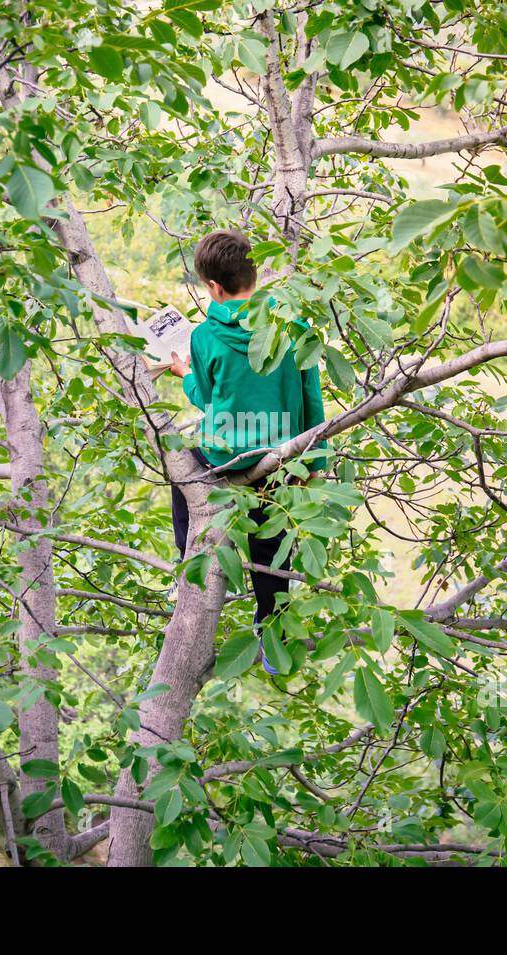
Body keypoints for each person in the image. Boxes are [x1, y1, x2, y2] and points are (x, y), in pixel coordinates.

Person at [167, 228, 328, 674]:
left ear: (214, 288)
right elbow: (311, 397)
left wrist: (183, 373)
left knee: (181, 479)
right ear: (254, 273)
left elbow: (206, 397)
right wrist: (315, 460)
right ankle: (271, 627)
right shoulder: (294, 327)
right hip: (281, 454)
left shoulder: (204, 337)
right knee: (273, 540)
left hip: (225, 457)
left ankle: (187, 562)